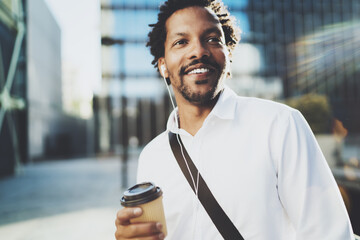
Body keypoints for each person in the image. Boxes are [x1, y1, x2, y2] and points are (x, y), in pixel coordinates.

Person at [115, 0, 354, 239]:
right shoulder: (152, 156)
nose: (198, 51)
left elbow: (330, 234)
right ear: (163, 66)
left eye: (212, 39)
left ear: (228, 57)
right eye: (181, 42)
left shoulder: (280, 126)